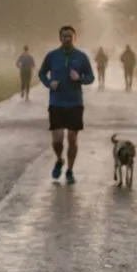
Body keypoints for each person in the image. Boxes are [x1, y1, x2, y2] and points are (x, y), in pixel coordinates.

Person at [37, 25, 95, 185]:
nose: (66, 39)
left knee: (72, 139)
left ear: (74, 38)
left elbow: (91, 77)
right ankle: (59, 159)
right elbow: (41, 73)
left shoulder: (81, 57)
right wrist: (49, 83)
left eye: (69, 36)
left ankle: (70, 170)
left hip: (75, 102)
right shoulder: (52, 56)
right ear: (60, 38)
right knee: (57, 139)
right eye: (63, 36)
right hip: (56, 101)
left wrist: (80, 79)